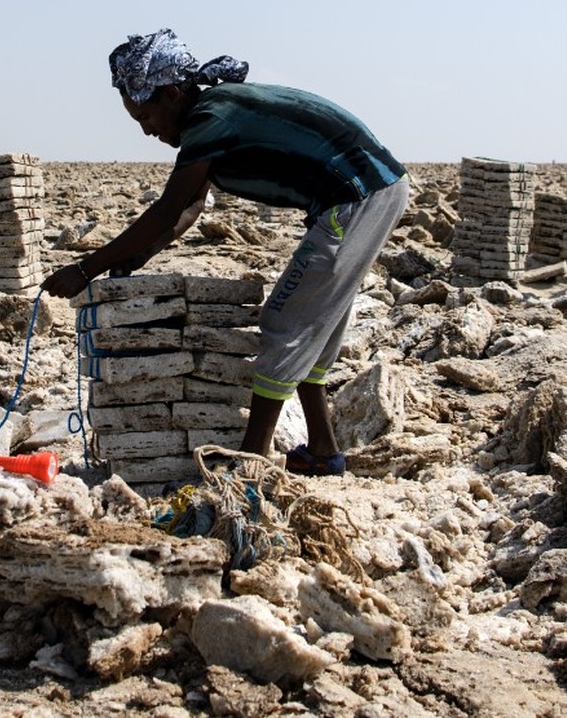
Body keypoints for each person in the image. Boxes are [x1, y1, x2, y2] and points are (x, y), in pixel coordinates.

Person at [42, 28, 411, 474]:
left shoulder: (211, 118)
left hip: (358, 196)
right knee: (315, 325)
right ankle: (322, 450)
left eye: (146, 117)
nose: (147, 131)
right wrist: (140, 256)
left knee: (284, 322)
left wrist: (85, 268)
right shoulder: (215, 111)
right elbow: (193, 205)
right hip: (370, 192)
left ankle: (251, 461)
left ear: (174, 94)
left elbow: (167, 209)